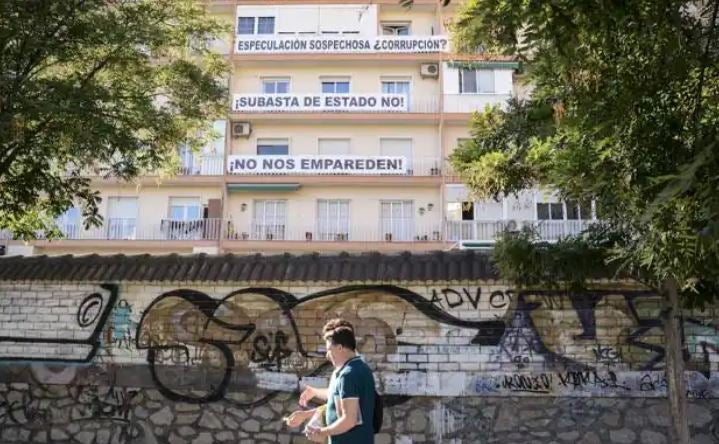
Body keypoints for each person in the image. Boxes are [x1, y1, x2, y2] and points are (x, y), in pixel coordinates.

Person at [285, 319, 375, 444]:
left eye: (329, 349)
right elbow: (338, 402)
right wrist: (307, 413)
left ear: (340, 347)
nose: (327, 355)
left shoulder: (348, 374)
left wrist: (321, 432)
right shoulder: (359, 368)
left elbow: (350, 419)